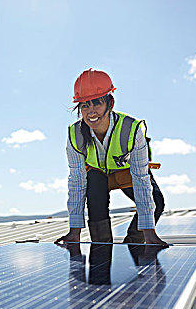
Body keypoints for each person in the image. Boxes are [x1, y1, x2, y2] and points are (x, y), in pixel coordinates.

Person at [54, 68, 167, 246]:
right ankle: (102, 249)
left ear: (110, 103)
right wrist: (74, 231)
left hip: (127, 172)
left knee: (156, 201)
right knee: (95, 193)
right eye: (85, 105)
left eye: (97, 103)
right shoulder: (75, 135)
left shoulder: (132, 129)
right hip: (96, 175)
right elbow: (77, 182)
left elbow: (141, 179)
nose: (91, 111)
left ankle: (134, 244)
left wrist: (149, 233)